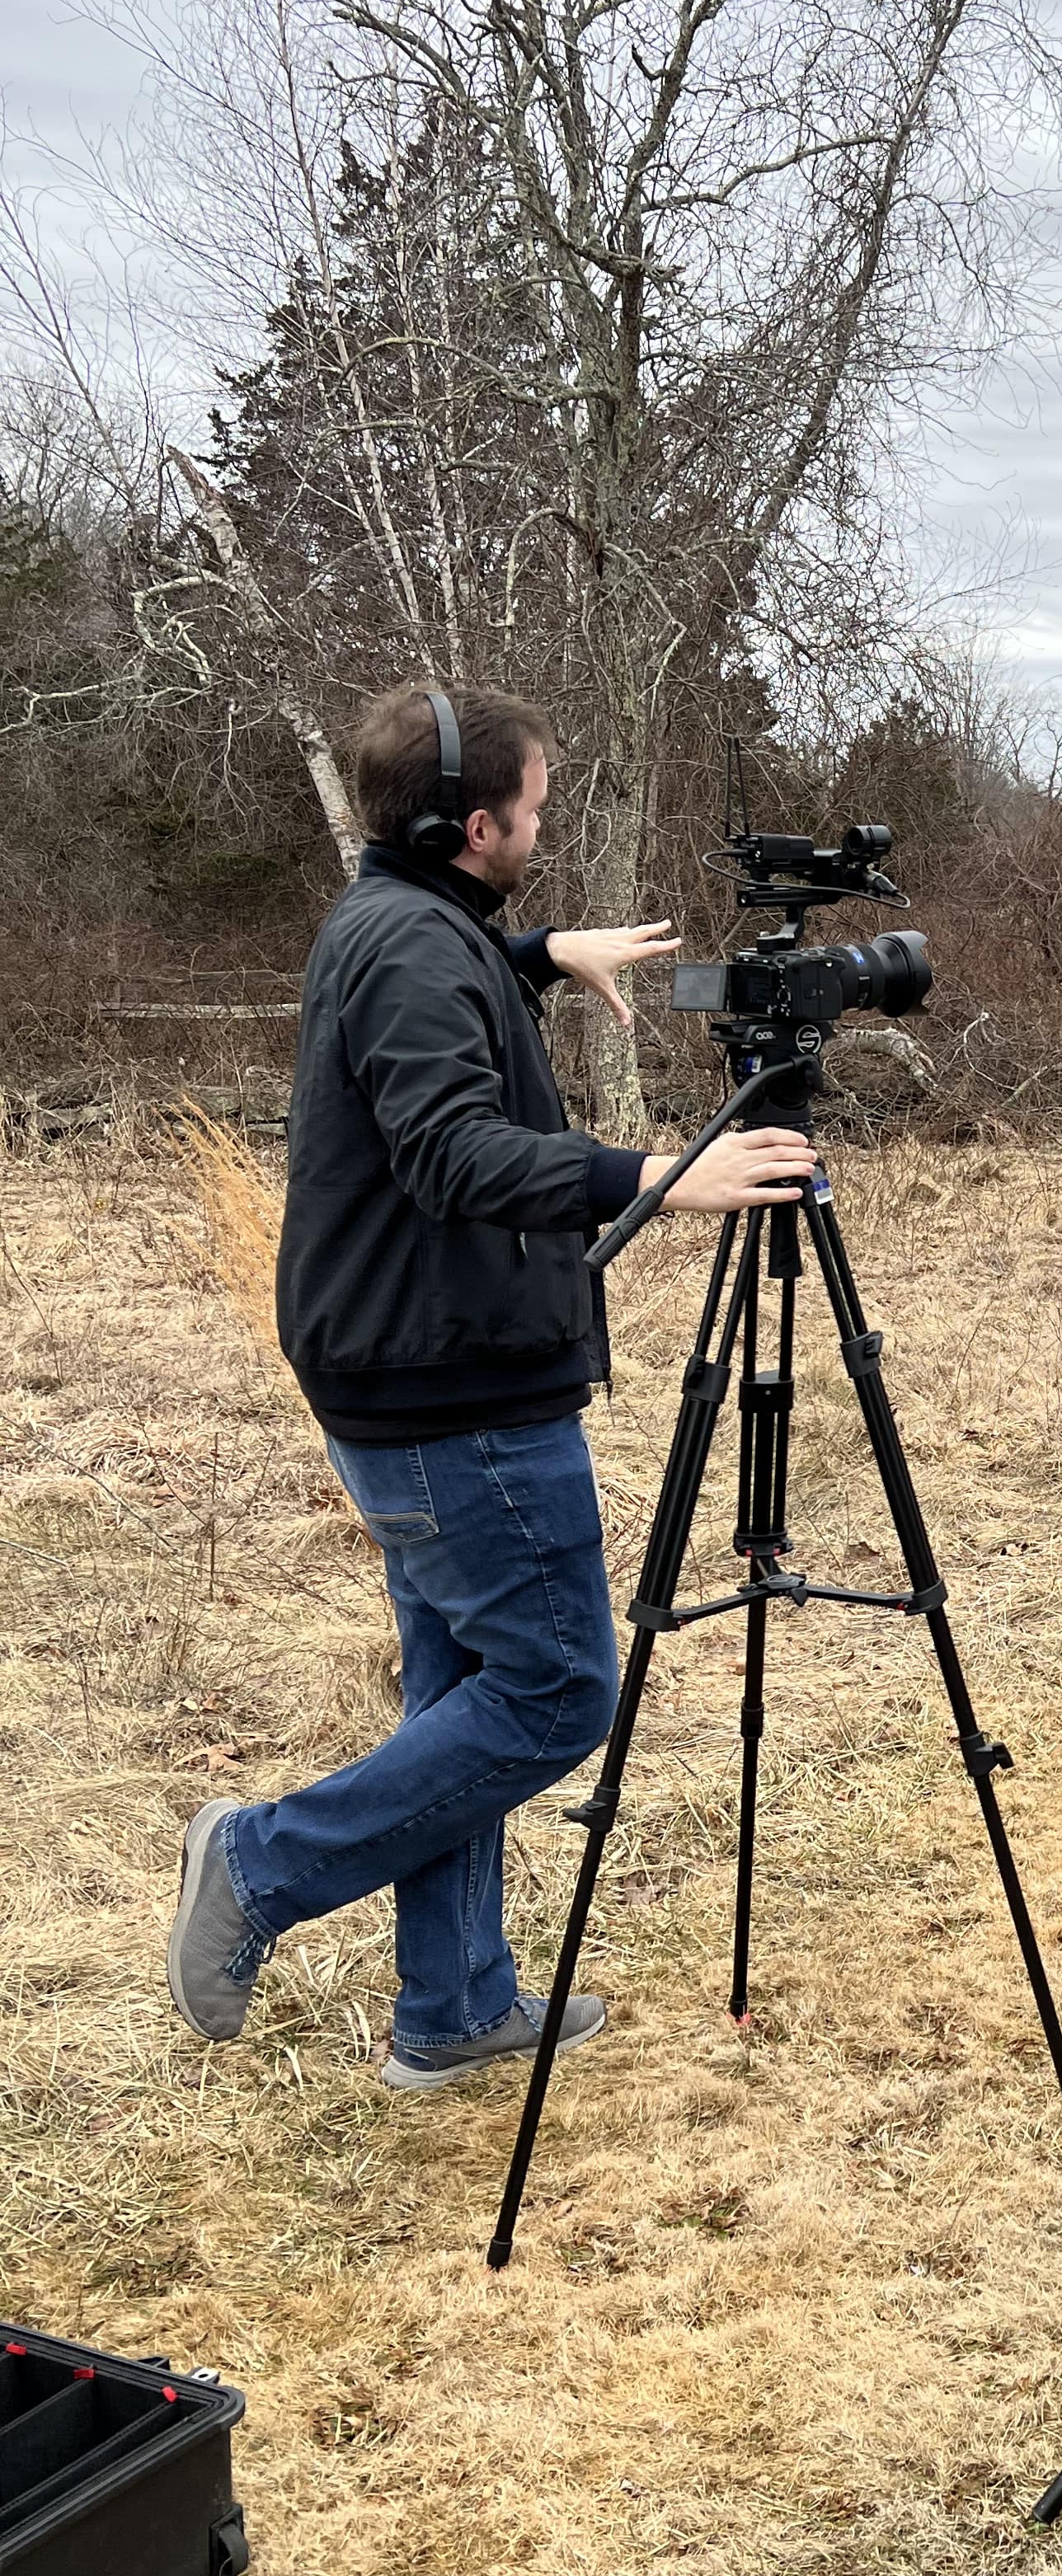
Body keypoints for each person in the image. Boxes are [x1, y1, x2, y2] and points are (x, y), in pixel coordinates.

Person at [166, 684, 820, 2082]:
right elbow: (452, 1148)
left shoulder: (412, 920)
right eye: (530, 807)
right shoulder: (413, 944)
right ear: (474, 825)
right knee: (555, 1692)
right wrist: (660, 1176)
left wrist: (533, 953)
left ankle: (455, 2008)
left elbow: (436, 1012)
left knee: (459, 1692)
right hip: (449, 1393)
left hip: (417, 1369)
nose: (539, 825)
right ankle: (261, 1864)